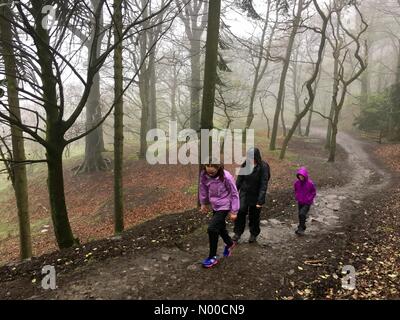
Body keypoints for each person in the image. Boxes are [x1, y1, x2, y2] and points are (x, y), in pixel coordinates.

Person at [199, 159, 240, 268]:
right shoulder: (204, 174)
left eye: (212, 170)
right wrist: (204, 203)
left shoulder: (226, 177)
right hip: (214, 204)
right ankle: (230, 244)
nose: (209, 171)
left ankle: (212, 257)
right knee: (220, 227)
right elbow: (203, 188)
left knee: (212, 229)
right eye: (207, 168)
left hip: (224, 205)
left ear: (218, 168)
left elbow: (234, 193)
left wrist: (234, 211)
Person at [233, 147, 271, 243]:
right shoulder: (245, 165)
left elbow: (264, 183)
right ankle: (237, 233)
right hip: (244, 193)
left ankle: (253, 234)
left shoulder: (263, 166)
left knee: (254, 215)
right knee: (240, 211)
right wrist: (233, 193)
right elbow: (239, 180)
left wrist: (260, 200)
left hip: (256, 194)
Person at [294, 167, 317, 235]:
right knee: (300, 215)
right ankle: (302, 226)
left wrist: (309, 199)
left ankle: (300, 229)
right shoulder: (297, 183)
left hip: (307, 202)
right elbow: (296, 190)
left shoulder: (310, 183)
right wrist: (297, 196)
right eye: (299, 176)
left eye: (302, 176)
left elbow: (313, 192)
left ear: (305, 176)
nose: (300, 177)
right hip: (300, 201)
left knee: (302, 214)